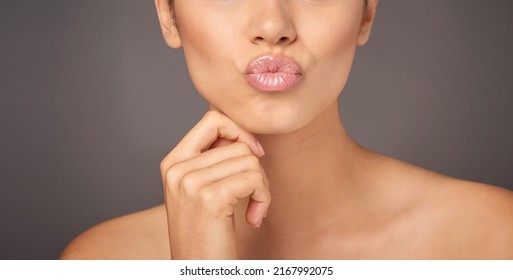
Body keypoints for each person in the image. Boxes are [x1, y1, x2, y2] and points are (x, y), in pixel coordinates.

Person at [60, 0, 513, 259]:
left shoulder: (494, 239)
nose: (273, 27)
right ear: (167, 14)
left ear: (366, 13)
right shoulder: (99, 260)